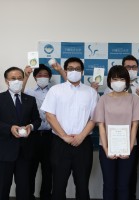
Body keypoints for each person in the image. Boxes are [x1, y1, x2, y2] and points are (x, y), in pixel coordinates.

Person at [41, 57, 98, 200]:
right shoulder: (55, 90)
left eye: (78, 69)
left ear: (82, 72)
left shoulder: (91, 92)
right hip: (60, 143)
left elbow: (94, 118)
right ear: (65, 71)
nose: (74, 71)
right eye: (71, 69)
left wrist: (81, 136)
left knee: (82, 185)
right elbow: (49, 115)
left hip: (83, 143)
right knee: (59, 186)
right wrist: (64, 136)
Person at [0, 66, 41, 200]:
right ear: (6, 81)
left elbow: (37, 120)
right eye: (13, 78)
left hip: (25, 152)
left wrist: (31, 126)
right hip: (3, 152)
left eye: (20, 78)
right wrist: (9, 128)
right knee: (2, 188)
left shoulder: (30, 100)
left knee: (24, 189)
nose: (17, 81)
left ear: (23, 80)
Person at [92, 65, 139, 200]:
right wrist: (106, 149)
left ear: (127, 80)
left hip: (128, 148)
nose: (118, 82)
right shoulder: (103, 99)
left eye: (121, 78)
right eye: (115, 79)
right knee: (109, 185)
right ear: (109, 80)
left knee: (123, 185)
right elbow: (101, 125)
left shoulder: (134, 99)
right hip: (106, 147)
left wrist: (129, 148)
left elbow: (135, 125)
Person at [23, 64, 53, 200]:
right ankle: (29, 196)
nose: (42, 77)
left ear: (50, 78)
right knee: (30, 170)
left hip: (50, 136)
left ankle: (45, 196)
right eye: (39, 75)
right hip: (32, 136)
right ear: (35, 77)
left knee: (48, 171)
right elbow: (17, 93)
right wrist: (25, 76)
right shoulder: (29, 92)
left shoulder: (55, 91)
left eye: (45, 75)